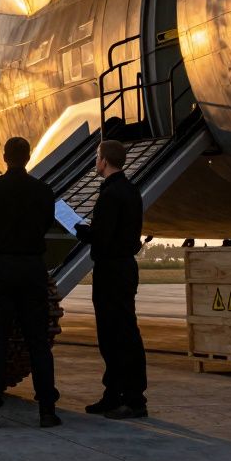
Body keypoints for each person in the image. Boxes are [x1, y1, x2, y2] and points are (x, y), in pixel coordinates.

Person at [0, 136, 61, 429]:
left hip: (1, 268)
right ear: (29, 156)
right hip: (32, 268)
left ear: (4, 157)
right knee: (38, 343)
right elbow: (47, 223)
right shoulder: (43, 191)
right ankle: (47, 410)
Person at [76, 140, 148, 419]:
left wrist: (81, 230)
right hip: (126, 267)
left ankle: (132, 399)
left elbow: (102, 237)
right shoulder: (131, 191)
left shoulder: (110, 194)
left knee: (114, 335)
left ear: (104, 161)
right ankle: (116, 393)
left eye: (97, 157)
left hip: (111, 270)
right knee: (125, 331)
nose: (96, 162)